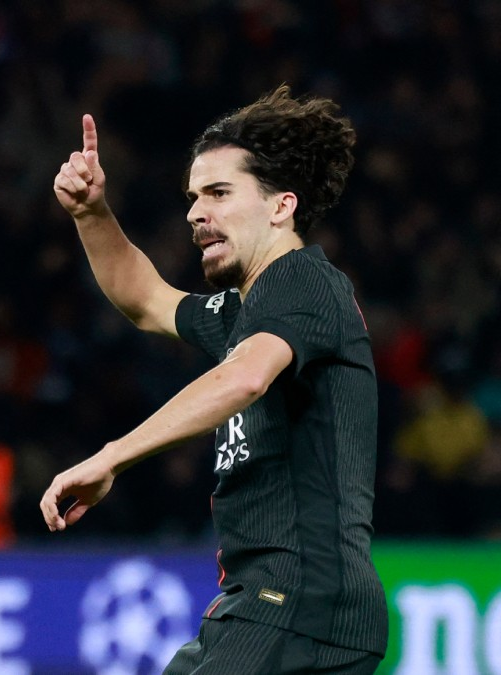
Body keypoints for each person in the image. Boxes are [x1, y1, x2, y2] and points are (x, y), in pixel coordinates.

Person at [40, 85, 388, 673]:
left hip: (298, 600)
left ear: (281, 207)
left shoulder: (301, 280)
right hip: (272, 602)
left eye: (219, 193)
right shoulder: (242, 311)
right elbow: (145, 300)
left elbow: (245, 377)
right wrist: (92, 214)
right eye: (193, 197)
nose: (195, 213)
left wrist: (112, 457)